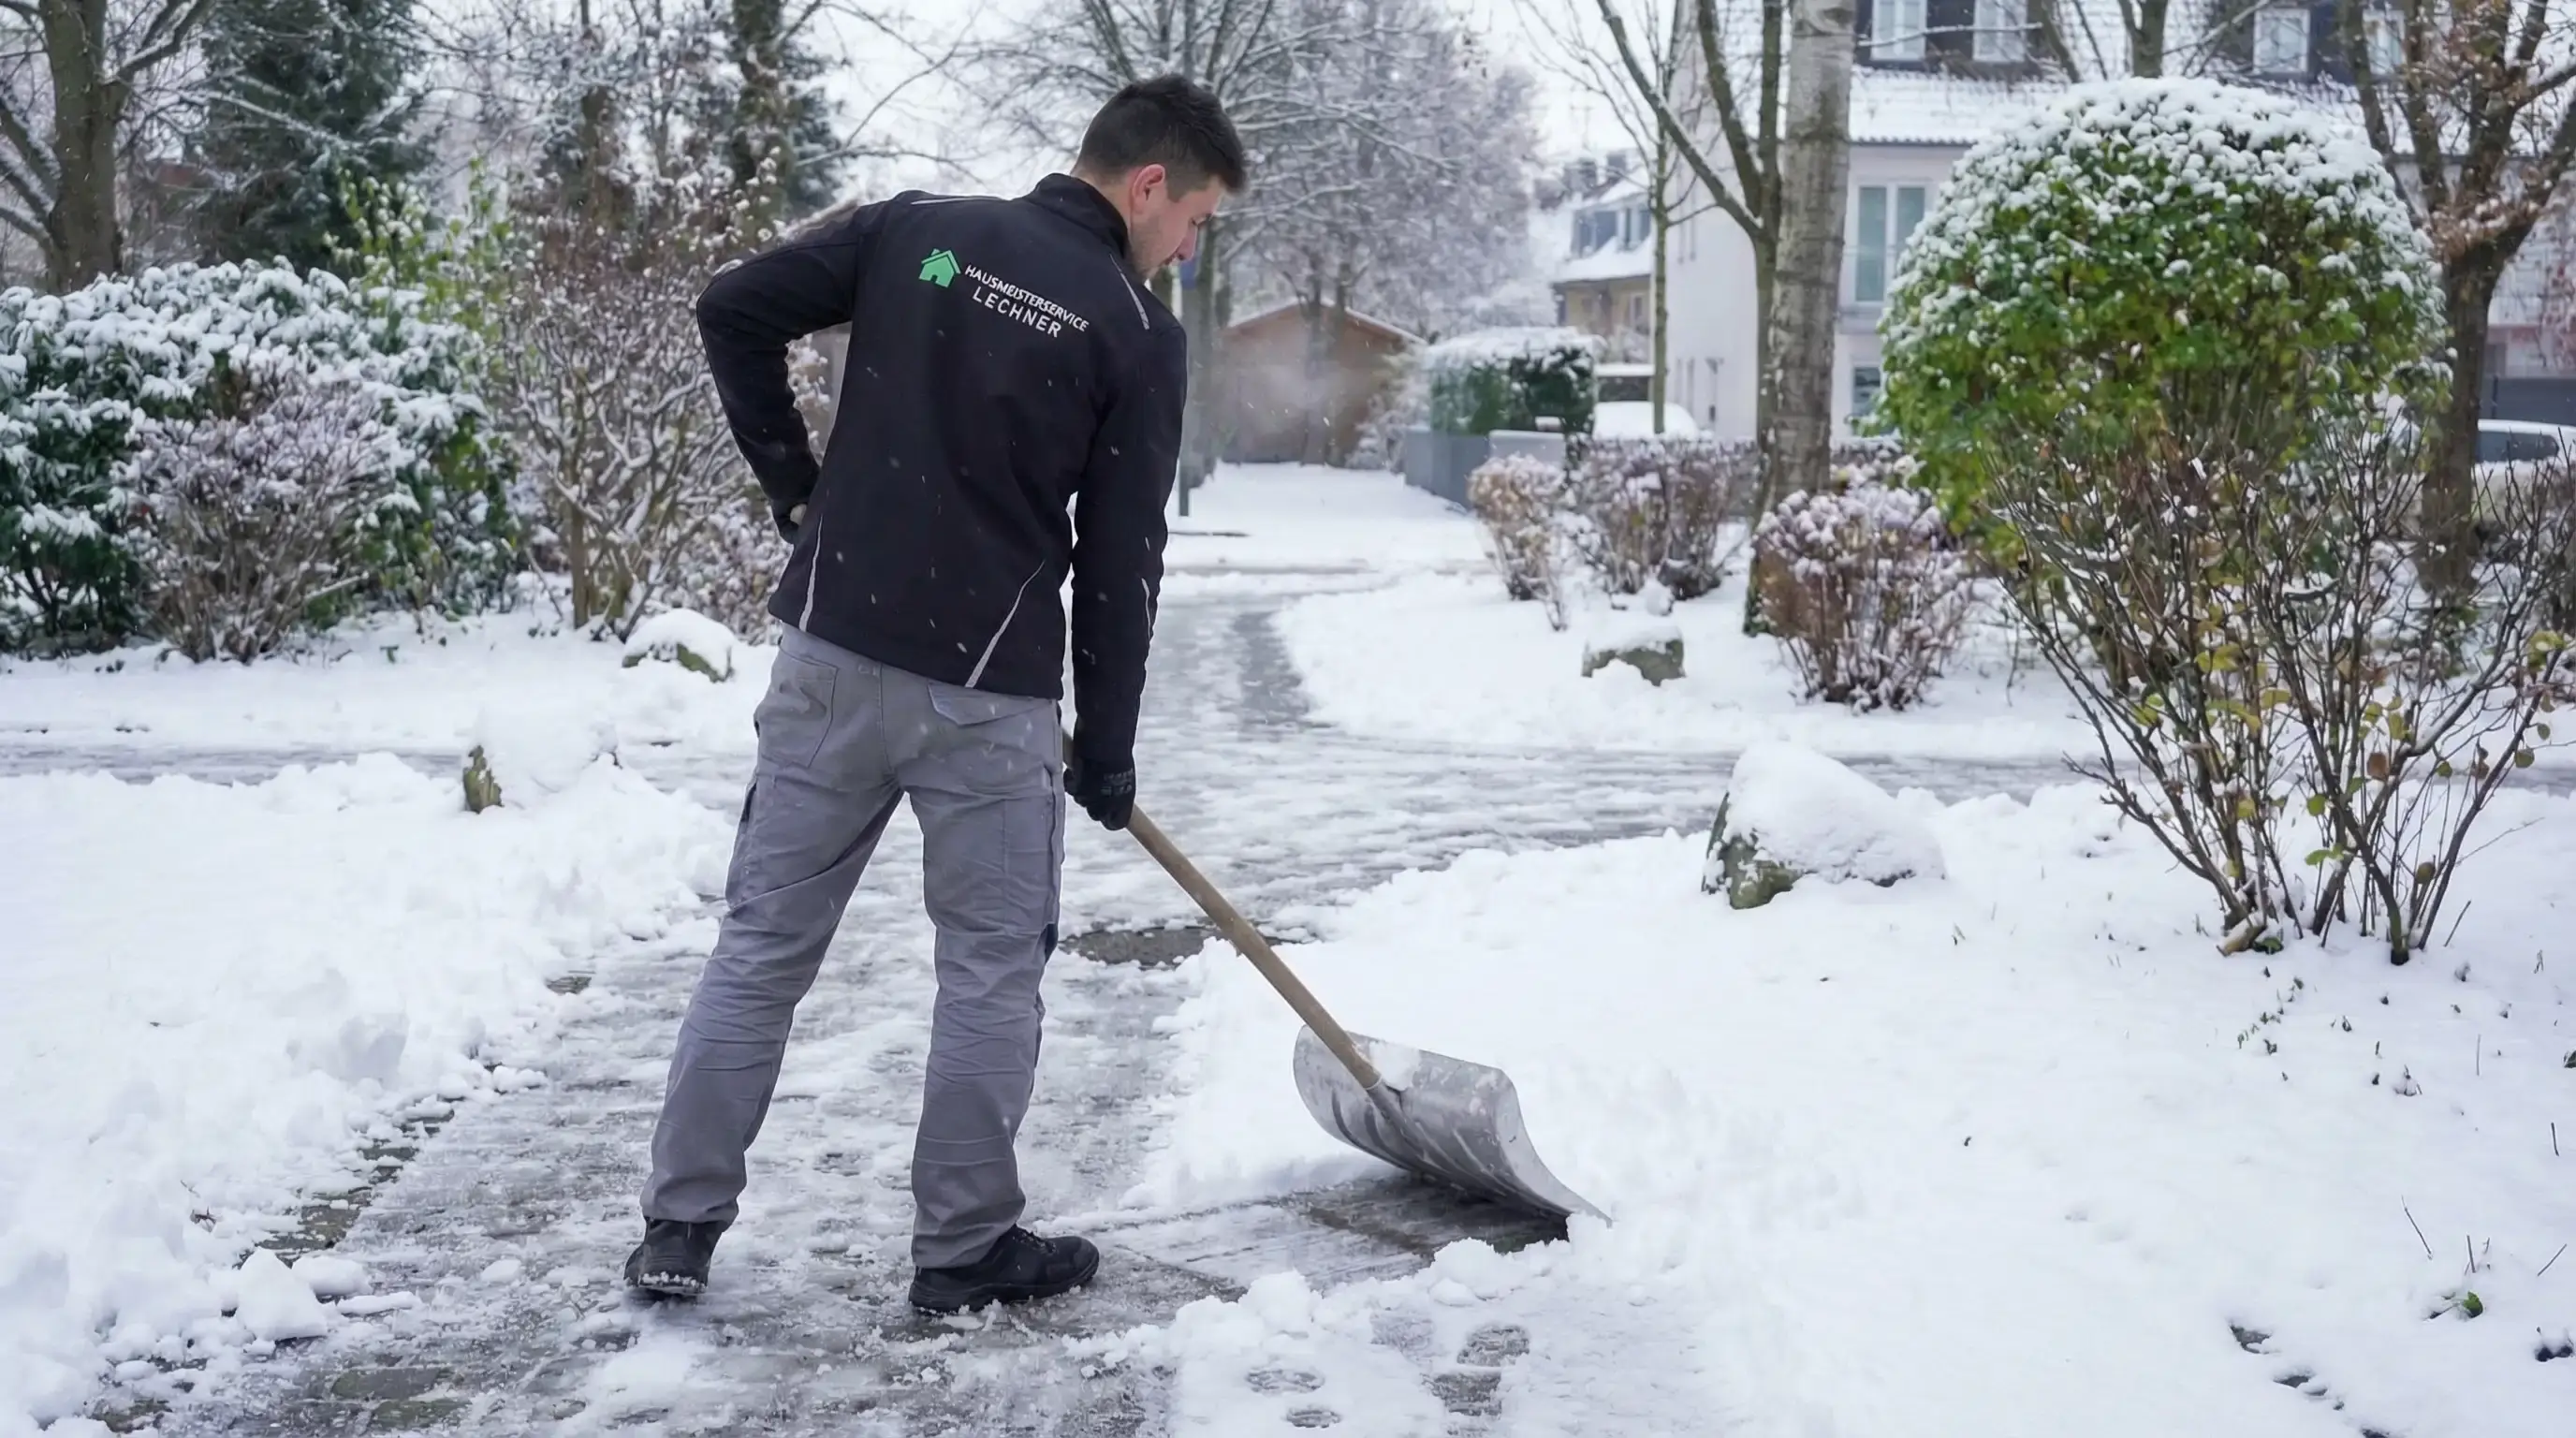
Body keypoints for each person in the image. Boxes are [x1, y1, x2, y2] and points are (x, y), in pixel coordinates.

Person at [624, 75, 1247, 1313]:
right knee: (989, 969)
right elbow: (1122, 560)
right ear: (1150, 184)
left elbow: (731, 310)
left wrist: (795, 489)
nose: (1188, 250)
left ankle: (678, 1229)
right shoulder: (1132, 331)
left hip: (829, 661)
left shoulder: (916, 231)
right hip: (985, 702)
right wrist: (1108, 746)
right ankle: (963, 1250)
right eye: (1197, 223)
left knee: (757, 953)